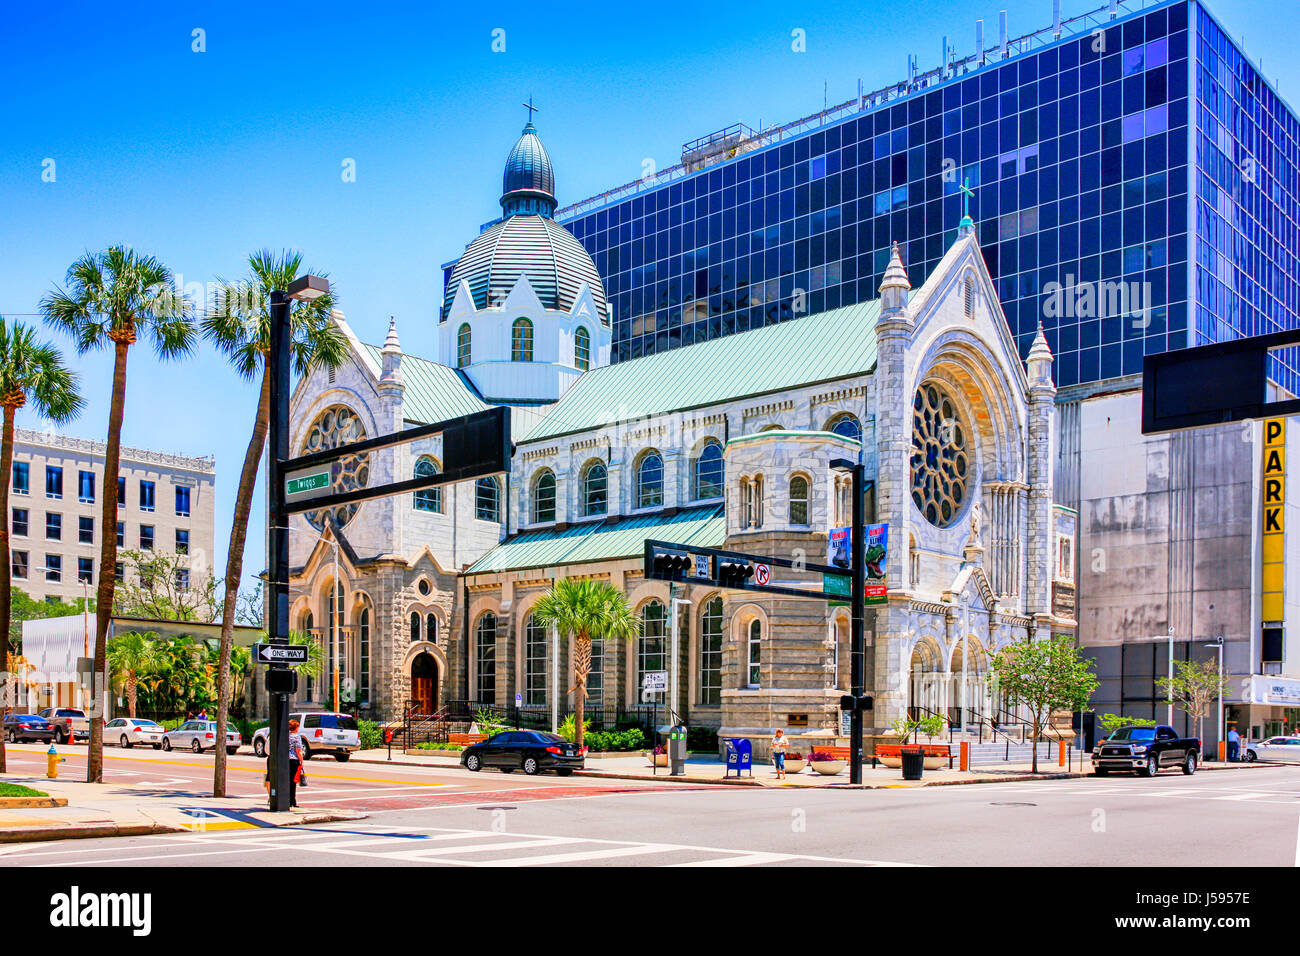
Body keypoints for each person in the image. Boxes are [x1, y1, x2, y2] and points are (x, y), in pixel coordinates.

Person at [265, 718, 306, 809]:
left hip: (284, 760)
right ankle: (292, 801)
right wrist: (301, 761)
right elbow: (298, 750)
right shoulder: (297, 737)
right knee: (293, 782)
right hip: (293, 760)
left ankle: (284, 799)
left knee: (284, 781)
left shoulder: (284, 736)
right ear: (296, 728)